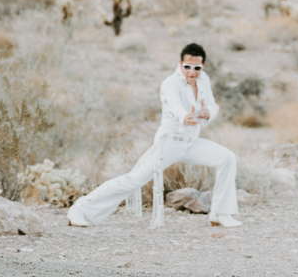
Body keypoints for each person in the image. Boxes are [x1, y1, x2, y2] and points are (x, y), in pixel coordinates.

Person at [67, 44, 242, 228]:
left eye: (197, 68)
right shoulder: (170, 83)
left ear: (203, 66)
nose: (192, 72)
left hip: (191, 143)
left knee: (227, 158)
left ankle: (220, 213)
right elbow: (173, 105)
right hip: (169, 143)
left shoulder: (203, 80)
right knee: (135, 179)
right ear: (180, 64)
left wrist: (208, 113)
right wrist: (185, 116)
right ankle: (80, 209)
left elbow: (213, 105)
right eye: (187, 67)